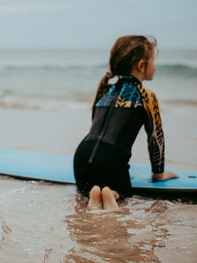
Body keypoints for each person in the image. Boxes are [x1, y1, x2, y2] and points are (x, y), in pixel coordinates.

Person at [73, 35, 178, 210]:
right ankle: (112, 194)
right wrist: (158, 174)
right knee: (123, 190)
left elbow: (96, 126)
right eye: (153, 61)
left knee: (89, 186)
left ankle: (94, 194)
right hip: (112, 165)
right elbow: (155, 138)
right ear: (141, 65)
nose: (155, 66)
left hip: (81, 160)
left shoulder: (105, 90)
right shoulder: (146, 96)